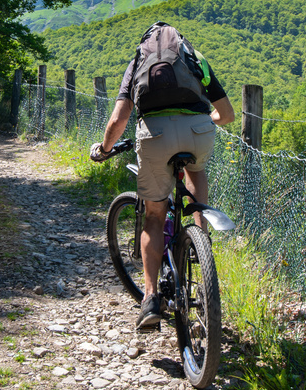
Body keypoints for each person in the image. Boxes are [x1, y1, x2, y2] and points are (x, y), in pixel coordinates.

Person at [90, 22, 234, 329]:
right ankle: (200, 238)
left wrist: (104, 149)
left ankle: (151, 298)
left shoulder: (138, 62)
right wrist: (200, 121)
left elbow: (119, 118)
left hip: (155, 136)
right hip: (199, 131)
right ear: (178, 41)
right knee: (196, 169)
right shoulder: (194, 56)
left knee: (154, 216)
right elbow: (228, 115)